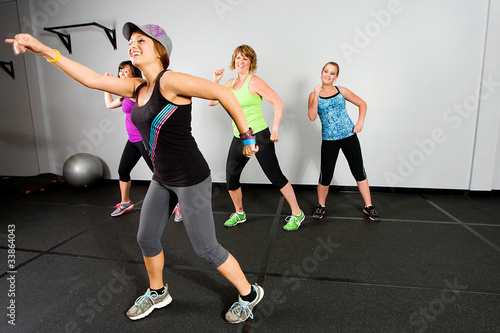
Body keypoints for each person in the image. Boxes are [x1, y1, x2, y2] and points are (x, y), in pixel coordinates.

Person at [6, 22, 263, 324]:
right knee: (146, 238)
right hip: (163, 178)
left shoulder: (171, 81)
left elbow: (223, 93)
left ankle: (249, 293)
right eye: (131, 41)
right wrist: (44, 50)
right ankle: (158, 292)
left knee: (205, 248)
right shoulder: (137, 87)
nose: (132, 44)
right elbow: (91, 80)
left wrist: (247, 137)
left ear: (159, 50)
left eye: (141, 40)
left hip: (191, 179)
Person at [208, 45, 305, 231]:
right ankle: (239, 213)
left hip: (258, 135)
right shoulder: (229, 84)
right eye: (237, 58)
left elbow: (278, 101)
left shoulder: (254, 82)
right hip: (239, 137)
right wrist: (216, 81)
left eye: (245, 58)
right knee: (231, 177)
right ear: (233, 61)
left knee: (275, 176)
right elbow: (211, 102)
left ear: (251, 62)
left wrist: (275, 129)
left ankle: (297, 213)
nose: (240, 61)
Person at [104, 61, 183, 222]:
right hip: (132, 140)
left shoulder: (139, 91)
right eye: (121, 72)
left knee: (160, 174)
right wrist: (107, 87)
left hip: (144, 140)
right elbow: (110, 104)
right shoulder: (125, 94)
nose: (122, 75)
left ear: (134, 73)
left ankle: (179, 204)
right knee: (123, 171)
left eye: (126, 72)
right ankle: (125, 202)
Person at [308, 62, 380, 222]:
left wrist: (360, 123)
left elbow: (362, 103)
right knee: (325, 175)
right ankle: (321, 206)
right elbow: (312, 116)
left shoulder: (342, 91)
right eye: (326, 71)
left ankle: (369, 206)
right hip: (329, 140)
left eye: (332, 73)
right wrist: (316, 95)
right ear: (321, 73)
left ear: (336, 77)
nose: (328, 75)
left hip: (349, 136)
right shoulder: (314, 95)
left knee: (359, 171)